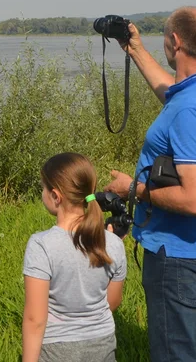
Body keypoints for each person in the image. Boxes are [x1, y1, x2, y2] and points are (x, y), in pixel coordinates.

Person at [104, 7, 196, 362]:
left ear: (175, 41)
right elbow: (173, 92)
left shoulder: (191, 108)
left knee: (175, 354)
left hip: (179, 257)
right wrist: (134, 48)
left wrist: (132, 189)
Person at [22, 152, 126, 362]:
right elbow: (112, 301)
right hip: (102, 345)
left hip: (57, 350)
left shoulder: (41, 245)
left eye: (44, 188)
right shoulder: (114, 243)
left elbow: (35, 319)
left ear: (55, 196)